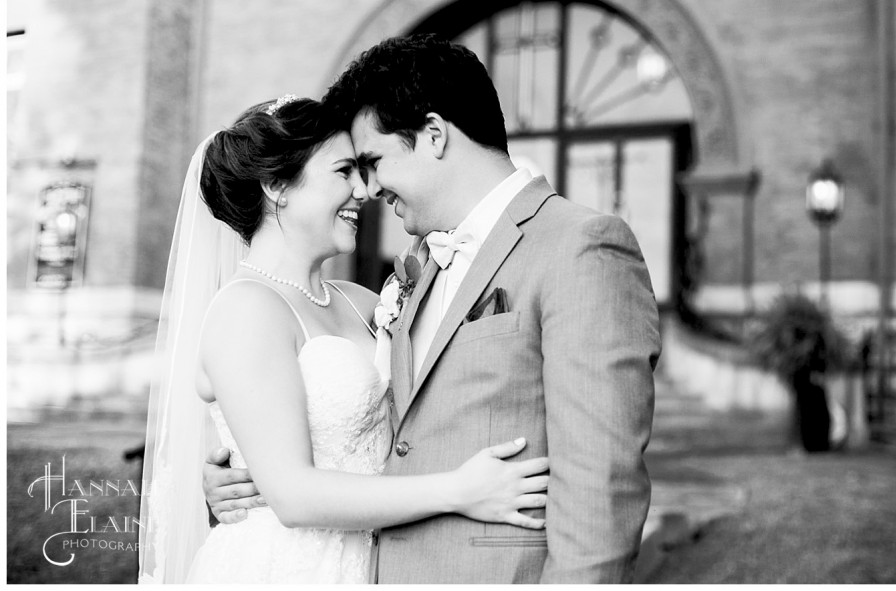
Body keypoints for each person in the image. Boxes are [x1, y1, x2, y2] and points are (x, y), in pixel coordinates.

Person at [204, 34, 662, 583]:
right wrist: (236, 476)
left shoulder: (579, 246)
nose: (367, 190)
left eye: (370, 163)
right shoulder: (418, 267)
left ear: (435, 135)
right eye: (348, 171)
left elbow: (602, 484)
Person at [138, 95, 549, 584]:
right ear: (276, 186)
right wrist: (459, 490)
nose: (364, 189)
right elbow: (292, 496)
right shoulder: (245, 309)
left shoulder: (359, 299)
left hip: (377, 559)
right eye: (343, 172)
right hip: (288, 568)